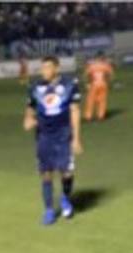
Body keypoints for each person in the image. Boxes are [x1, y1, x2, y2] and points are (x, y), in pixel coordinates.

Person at [25, 55, 82, 225]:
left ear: (57, 68)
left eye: (48, 67)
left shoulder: (69, 85)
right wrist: (28, 119)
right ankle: (49, 210)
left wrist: (77, 138)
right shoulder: (35, 87)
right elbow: (30, 107)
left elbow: (75, 111)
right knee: (46, 174)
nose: (44, 71)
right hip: (43, 136)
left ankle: (65, 198)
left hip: (64, 135)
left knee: (67, 172)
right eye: (42, 68)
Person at [83, 52, 115, 122]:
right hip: (103, 84)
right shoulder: (106, 65)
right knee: (102, 101)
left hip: (94, 84)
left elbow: (86, 75)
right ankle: (101, 116)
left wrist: (87, 83)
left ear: (96, 57)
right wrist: (109, 83)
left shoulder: (92, 65)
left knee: (90, 101)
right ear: (102, 57)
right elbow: (111, 74)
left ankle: (88, 116)